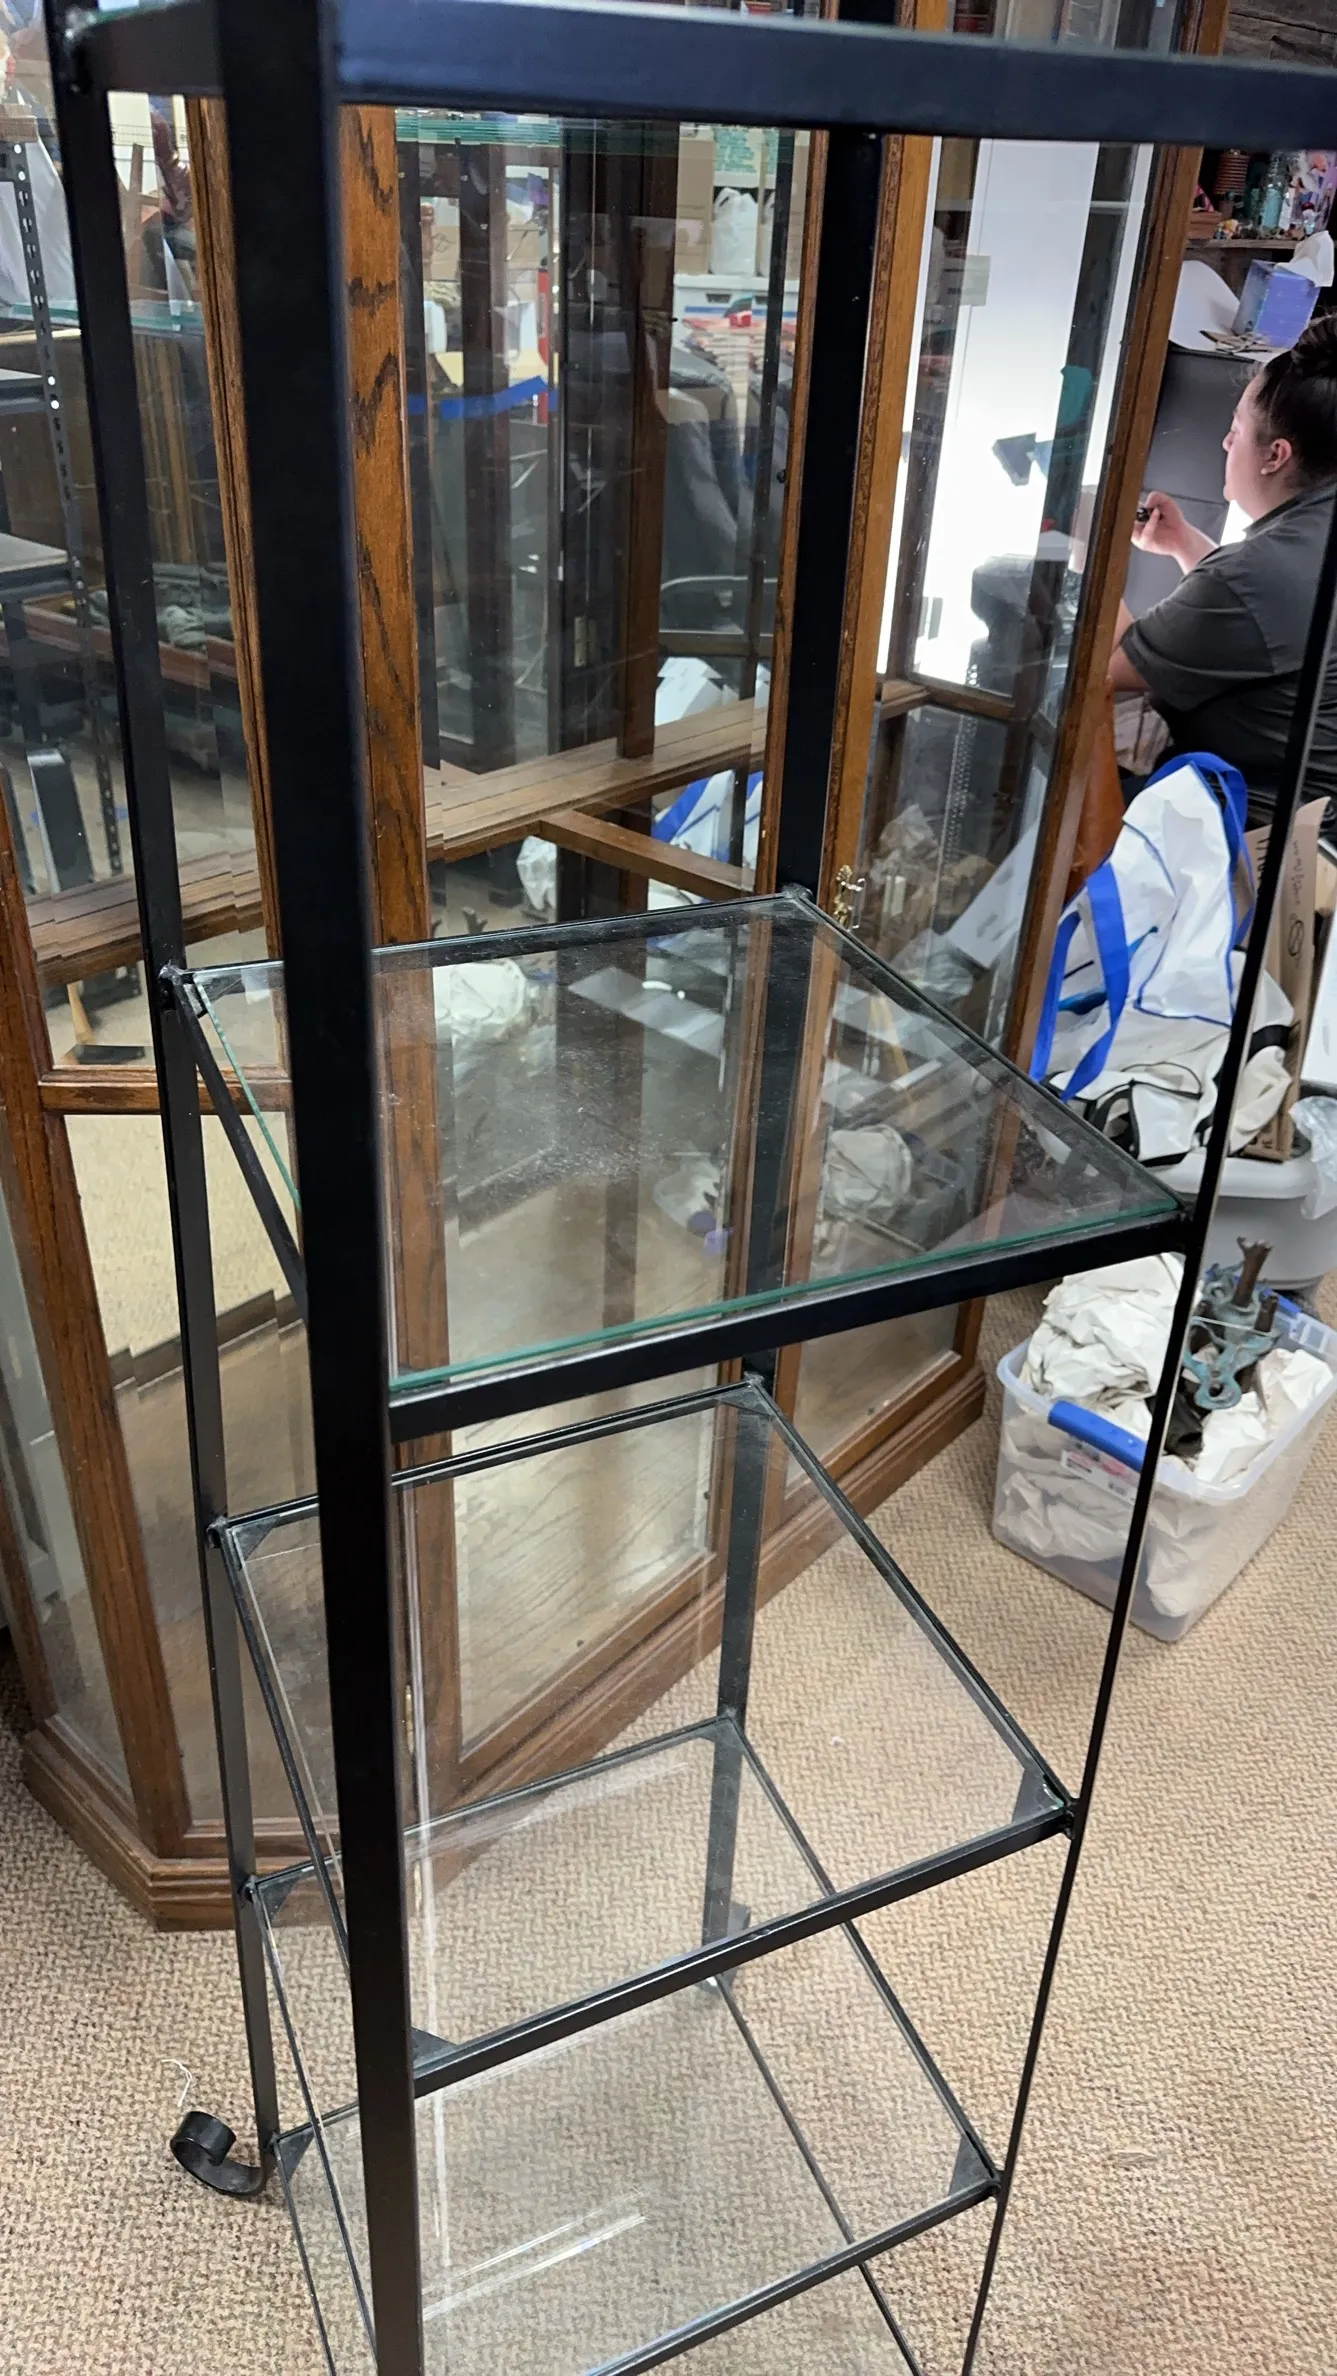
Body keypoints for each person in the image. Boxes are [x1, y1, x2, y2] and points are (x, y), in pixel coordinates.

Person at [1107, 310, 1337, 826]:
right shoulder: (1312, 537)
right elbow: (1265, 623)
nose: (1226, 443)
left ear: (1275, 455)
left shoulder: (1256, 573)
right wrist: (1185, 544)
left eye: (1236, 429)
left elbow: (1110, 669)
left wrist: (1094, 549)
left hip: (1255, 830)